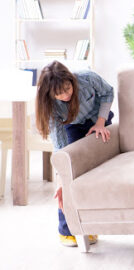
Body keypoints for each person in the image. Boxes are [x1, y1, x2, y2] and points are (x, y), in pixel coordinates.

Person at [36, 61, 114, 247]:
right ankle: (67, 230)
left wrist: (101, 122)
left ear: (71, 80)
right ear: (50, 94)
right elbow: (61, 148)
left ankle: (90, 225)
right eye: (59, 93)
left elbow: (108, 92)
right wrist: (62, 178)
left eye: (67, 88)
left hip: (99, 121)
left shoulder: (87, 77)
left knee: (97, 176)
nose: (65, 95)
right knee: (70, 176)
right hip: (72, 128)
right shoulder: (51, 107)